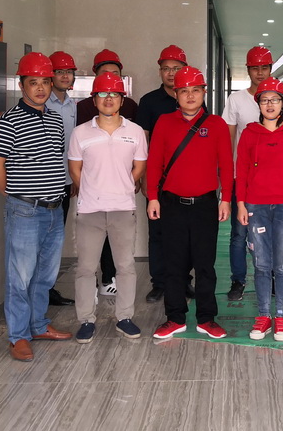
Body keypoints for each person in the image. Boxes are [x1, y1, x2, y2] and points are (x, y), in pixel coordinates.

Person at [0, 52, 73, 361]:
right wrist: (15, 195)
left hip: (54, 210)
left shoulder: (55, 119)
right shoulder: (8, 122)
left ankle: (38, 325)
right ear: (21, 85)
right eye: (33, 82)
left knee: (45, 276)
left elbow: (55, 159)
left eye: (45, 82)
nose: (40, 88)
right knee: (20, 277)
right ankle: (19, 336)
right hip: (25, 210)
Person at [146, 67, 233, 340]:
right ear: (176, 94)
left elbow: (226, 165)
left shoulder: (217, 124)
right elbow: (154, 163)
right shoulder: (164, 123)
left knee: (205, 265)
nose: (190, 95)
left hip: (205, 205)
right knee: (174, 264)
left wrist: (226, 199)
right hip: (171, 204)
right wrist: (152, 197)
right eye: (184, 91)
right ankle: (175, 318)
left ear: (204, 92)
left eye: (196, 90)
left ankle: (207, 318)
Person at [68, 71, 148, 343]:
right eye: (102, 94)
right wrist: (93, 189)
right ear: (94, 99)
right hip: (89, 210)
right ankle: (86, 320)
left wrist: (122, 186)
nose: (109, 98)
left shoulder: (135, 132)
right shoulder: (80, 132)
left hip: (123, 209)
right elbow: (75, 169)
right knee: (86, 268)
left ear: (122, 100)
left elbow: (139, 167)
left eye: (114, 94)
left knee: (125, 266)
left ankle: (124, 317)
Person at [235, 78, 283, 342]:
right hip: (256, 205)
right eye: (265, 100)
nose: (270, 104)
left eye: (275, 100)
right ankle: (264, 315)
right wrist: (241, 204)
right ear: (258, 104)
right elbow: (242, 169)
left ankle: (281, 316)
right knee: (261, 263)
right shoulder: (249, 133)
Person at [221, 46, 283, 301]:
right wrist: (227, 178)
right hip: (243, 178)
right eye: (255, 68)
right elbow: (228, 141)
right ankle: (238, 280)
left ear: (270, 69)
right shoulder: (236, 100)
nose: (260, 72)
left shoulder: (282, 98)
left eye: (264, 67)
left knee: (273, 232)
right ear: (248, 70)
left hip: (275, 181)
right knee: (240, 233)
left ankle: (271, 276)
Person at [76, 48, 139, 298]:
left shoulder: (131, 107)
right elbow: (76, 162)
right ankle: (88, 303)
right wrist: (88, 185)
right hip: (91, 194)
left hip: (121, 195)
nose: (109, 93)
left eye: (115, 74)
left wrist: (125, 182)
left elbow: (138, 157)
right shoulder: (82, 109)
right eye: (104, 74)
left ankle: (111, 284)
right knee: (88, 255)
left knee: (122, 255)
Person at [136, 44, 189, 303]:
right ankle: (159, 283)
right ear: (160, 72)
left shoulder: (192, 98)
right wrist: (145, 176)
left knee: (184, 233)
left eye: (176, 68)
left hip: (186, 178)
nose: (170, 73)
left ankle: (183, 281)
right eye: (166, 69)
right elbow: (142, 142)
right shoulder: (149, 102)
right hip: (158, 176)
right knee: (157, 231)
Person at [44, 50, 78, 307]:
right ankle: (41, 290)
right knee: (44, 238)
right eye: (60, 72)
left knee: (56, 238)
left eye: (69, 72)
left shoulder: (72, 105)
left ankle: (48, 288)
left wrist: (74, 178)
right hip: (44, 182)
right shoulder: (43, 104)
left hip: (65, 181)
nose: (65, 76)